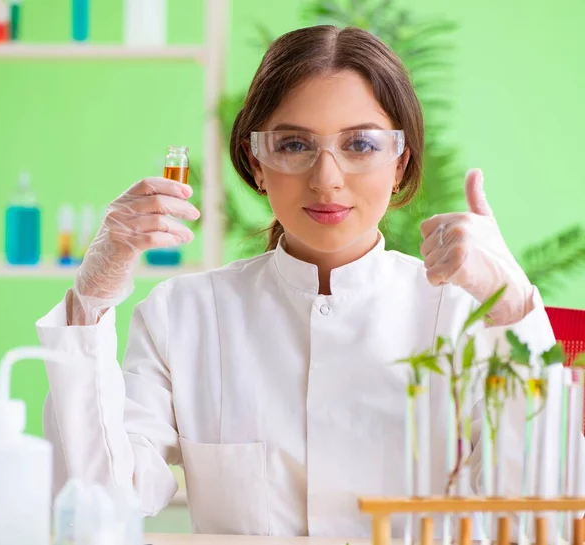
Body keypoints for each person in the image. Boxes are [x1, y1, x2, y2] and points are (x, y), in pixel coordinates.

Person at [36, 25, 559, 537]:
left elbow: (533, 514)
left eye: (359, 143)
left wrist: (512, 308)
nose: (327, 178)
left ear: (399, 163)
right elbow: (98, 500)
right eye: (292, 145)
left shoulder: (458, 313)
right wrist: (91, 297)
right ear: (256, 162)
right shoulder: (185, 314)